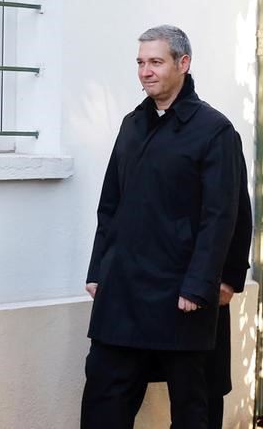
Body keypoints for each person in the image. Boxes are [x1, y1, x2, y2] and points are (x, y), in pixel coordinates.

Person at [81, 25, 242, 428]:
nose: (145, 71)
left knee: (193, 405)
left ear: (183, 64)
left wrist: (203, 284)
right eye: (140, 62)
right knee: (104, 399)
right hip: (122, 293)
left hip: (181, 296)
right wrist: (99, 270)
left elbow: (223, 214)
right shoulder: (131, 125)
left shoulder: (213, 129)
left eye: (156, 61)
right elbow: (110, 205)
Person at [132, 135, 251, 428]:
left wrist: (231, 277)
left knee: (203, 389)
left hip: (204, 284)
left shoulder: (216, 133)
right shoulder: (138, 131)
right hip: (149, 287)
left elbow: (236, 209)